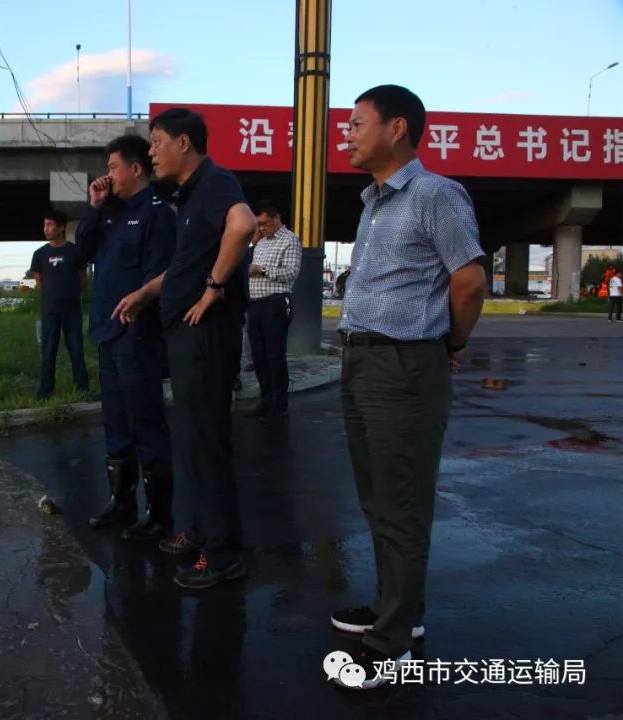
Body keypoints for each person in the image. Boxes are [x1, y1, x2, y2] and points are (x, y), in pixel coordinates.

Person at [328, 84, 487, 690]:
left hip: (403, 367)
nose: (346, 133)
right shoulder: (374, 202)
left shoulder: (435, 195)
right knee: (377, 497)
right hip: (362, 362)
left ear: (397, 129)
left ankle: (392, 644)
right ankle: (397, 612)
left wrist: (449, 345)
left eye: (356, 123)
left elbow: (468, 282)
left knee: (401, 503)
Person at [113, 107, 257, 590]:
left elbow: (243, 224)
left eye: (156, 141)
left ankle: (223, 554)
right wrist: (146, 293)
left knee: (207, 441)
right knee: (193, 439)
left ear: (184, 144)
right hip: (185, 333)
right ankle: (201, 530)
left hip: (205, 336)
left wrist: (215, 286)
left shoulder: (216, 182)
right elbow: (182, 266)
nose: (151, 151)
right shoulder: (190, 196)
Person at [76, 133, 176, 542]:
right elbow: (82, 252)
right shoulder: (111, 212)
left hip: (137, 335)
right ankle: (122, 502)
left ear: (136, 169)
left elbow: (158, 277)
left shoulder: (157, 213)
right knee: (115, 423)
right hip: (107, 332)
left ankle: (159, 515)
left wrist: (138, 314)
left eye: (114, 167)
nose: (108, 175)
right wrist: (94, 208)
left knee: (145, 424)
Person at [244, 200, 302, 422]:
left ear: (276, 218)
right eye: (258, 224)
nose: (261, 228)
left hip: (275, 303)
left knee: (274, 356)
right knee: (258, 356)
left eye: (265, 223)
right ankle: (265, 399)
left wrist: (262, 269)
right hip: (255, 303)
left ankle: (279, 405)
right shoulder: (260, 242)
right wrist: (253, 243)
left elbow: (291, 272)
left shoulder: (290, 240)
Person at [29, 210, 89, 399]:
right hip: (49, 310)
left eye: (50, 225)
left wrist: (69, 295)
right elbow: (39, 282)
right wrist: (51, 297)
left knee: (76, 350)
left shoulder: (74, 251)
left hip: (72, 310)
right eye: (45, 225)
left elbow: (82, 279)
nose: (46, 229)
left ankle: (82, 389)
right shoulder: (40, 254)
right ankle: (45, 392)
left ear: (61, 227)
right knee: (48, 351)